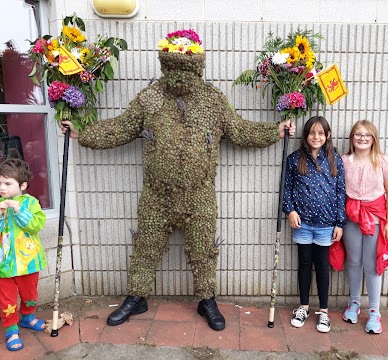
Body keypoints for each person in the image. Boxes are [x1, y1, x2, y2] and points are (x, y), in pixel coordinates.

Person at [61, 29, 294, 332]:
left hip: (200, 196)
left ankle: (207, 300)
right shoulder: (150, 99)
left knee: (203, 251)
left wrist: (274, 132)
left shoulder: (212, 100)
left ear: (198, 67)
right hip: (157, 195)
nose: (180, 75)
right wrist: (83, 133)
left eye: (185, 68)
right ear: (164, 66)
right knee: (145, 247)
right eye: (173, 68)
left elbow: (238, 130)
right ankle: (136, 297)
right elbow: (121, 127)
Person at [283, 116, 346, 333]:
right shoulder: (294, 159)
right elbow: (286, 188)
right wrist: (289, 210)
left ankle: (324, 312)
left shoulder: (335, 160)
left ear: (327, 135)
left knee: (321, 267)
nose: (316, 137)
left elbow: (340, 193)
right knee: (303, 265)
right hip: (303, 224)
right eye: (312, 133)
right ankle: (303, 306)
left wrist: (340, 223)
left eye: (321, 133)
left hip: (326, 225)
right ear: (305, 135)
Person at [341, 120, 388, 334]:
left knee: (372, 266)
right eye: (358, 134)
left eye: (367, 135)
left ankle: (374, 311)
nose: (362, 138)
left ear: (374, 138)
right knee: (354, 262)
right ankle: (354, 303)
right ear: (352, 138)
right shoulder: (345, 161)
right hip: (351, 219)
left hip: (374, 219)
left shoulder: (382, 161)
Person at [0, 158, 47, 351]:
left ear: (22, 185)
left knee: (30, 295)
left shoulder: (31, 202)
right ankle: (11, 329)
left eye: (7, 183)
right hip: (4, 265)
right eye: (0, 183)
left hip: (28, 262)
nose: (2, 187)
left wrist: (19, 211)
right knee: (7, 300)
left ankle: (27, 317)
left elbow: (36, 226)